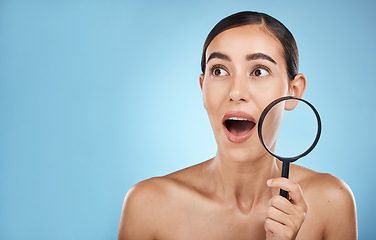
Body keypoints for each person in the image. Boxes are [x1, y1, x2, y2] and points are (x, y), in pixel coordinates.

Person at [118, 11, 357, 240]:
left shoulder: (332, 201)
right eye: (219, 70)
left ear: (293, 92)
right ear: (203, 88)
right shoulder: (147, 206)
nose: (236, 92)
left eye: (259, 71)